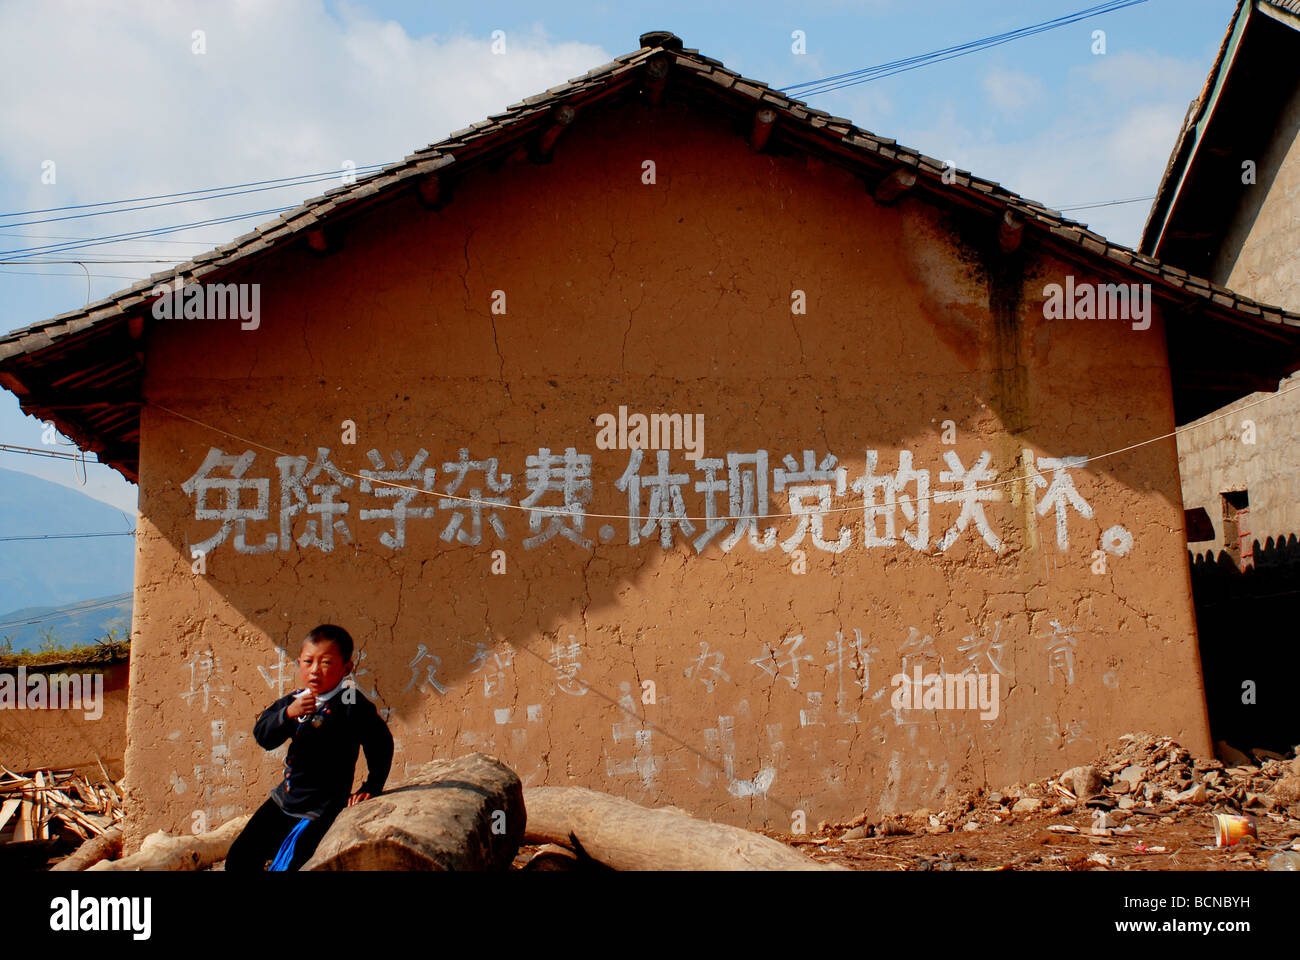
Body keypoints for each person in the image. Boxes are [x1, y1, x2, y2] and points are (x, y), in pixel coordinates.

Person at [225, 624, 392, 871]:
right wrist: (288, 714)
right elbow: (264, 736)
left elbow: (380, 743)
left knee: (293, 865)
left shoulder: (352, 705)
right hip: (285, 800)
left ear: (347, 668)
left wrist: (372, 785)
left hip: (320, 811)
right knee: (239, 860)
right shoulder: (295, 700)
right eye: (307, 661)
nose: (314, 671)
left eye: (325, 663)